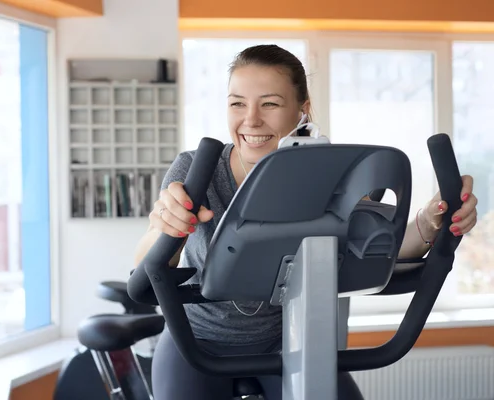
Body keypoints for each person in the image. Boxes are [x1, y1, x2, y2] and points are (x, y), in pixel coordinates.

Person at [133, 44, 479, 400]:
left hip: (286, 343)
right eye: (237, 103)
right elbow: (145, 265)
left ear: (302, 111)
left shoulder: (323, 174)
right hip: (195, 339)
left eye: (269, 103)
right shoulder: (196, 170)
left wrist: (431, 221)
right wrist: (166, 227)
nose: (250, 120)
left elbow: (373, 244)